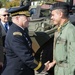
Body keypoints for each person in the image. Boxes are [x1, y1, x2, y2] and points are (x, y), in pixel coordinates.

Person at [1, 5, 51, 75]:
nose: (29, 19)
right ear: (17, 18)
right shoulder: (15, 34)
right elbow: (26, 56)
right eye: (26, 17)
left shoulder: (21, 30)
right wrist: (42, 67)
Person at [48, 2, 75, 75]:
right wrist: (54, 62)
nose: (51, 17)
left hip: (67, 71)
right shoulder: (60, 29)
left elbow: (73, 57)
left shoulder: (70, 30)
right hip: (59, 69)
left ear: (60, 14)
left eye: (53, 15)